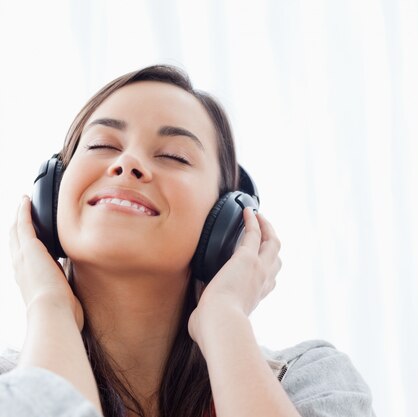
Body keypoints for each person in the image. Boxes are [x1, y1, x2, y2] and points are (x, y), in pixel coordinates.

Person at [0, 65, 375, 417]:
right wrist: (48, 306)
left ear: (227, 219)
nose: (127, 163)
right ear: (52, 192)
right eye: (101, 145)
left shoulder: (309, 380)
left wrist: (225, 316)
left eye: (173, 156)